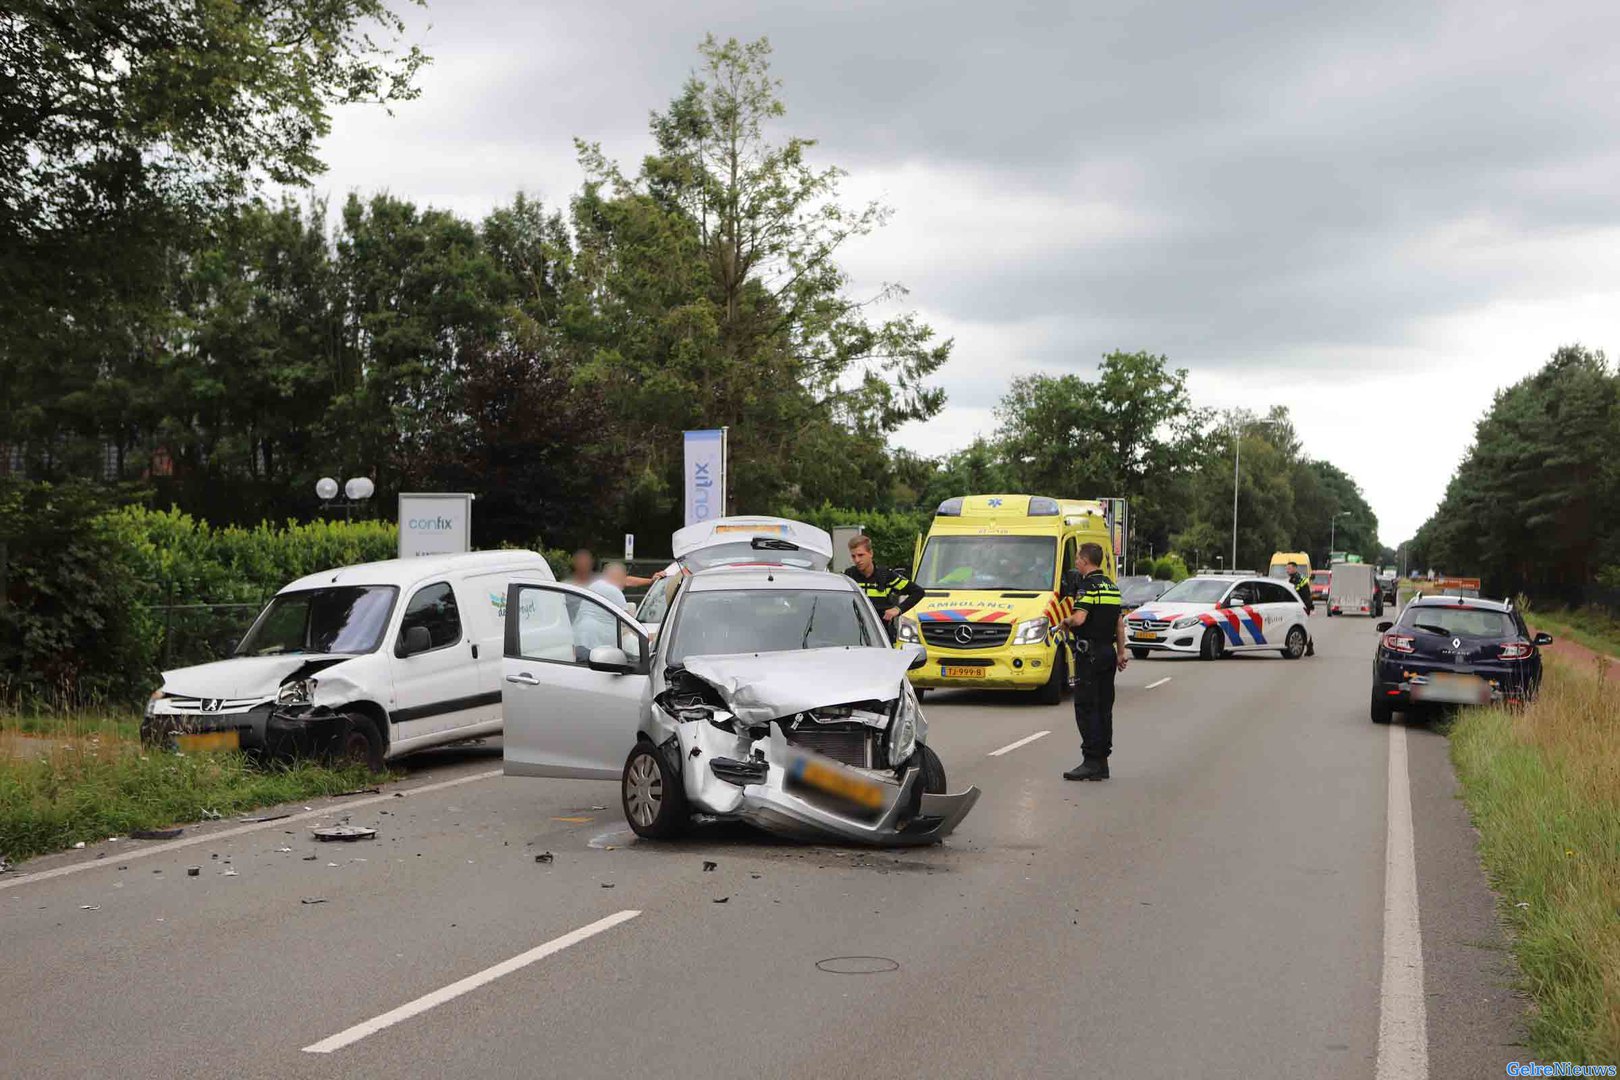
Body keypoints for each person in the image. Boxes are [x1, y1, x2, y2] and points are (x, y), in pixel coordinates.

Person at [1060, 542, 1126, 781]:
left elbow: (1080, 618)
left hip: (1090, 655)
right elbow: (1119, 622)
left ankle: (1090, 762)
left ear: (1086, 561)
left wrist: (1065, 622)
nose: (1076, 563)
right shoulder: (1111, 586)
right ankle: (1102, 761)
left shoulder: (1087, 586)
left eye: (1077, 559)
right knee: (1104, 707)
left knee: (1087, 708)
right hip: (1108, 653)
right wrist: (1121, 652)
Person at [843, 535, 925, 643]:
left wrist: (898, 609)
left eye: (860, 555)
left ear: (871, 553)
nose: (857, 560)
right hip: (855, 636)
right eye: (853, 556)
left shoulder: (886, 575)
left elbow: (918, 592)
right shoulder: (849, 576)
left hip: (882, 636)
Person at [1286, 561, 1317, 657]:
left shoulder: (1298, 579)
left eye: (1289, 568)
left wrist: (1307, 606)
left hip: (1302, 606)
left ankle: (1309, 647)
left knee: (1302, 626)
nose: (1287, 570)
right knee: (1301, 626)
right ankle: (1310, 647)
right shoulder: (1293, 579)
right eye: (1287, 568)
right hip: (1300, 605)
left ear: (1295, 568)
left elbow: (1305, 594)